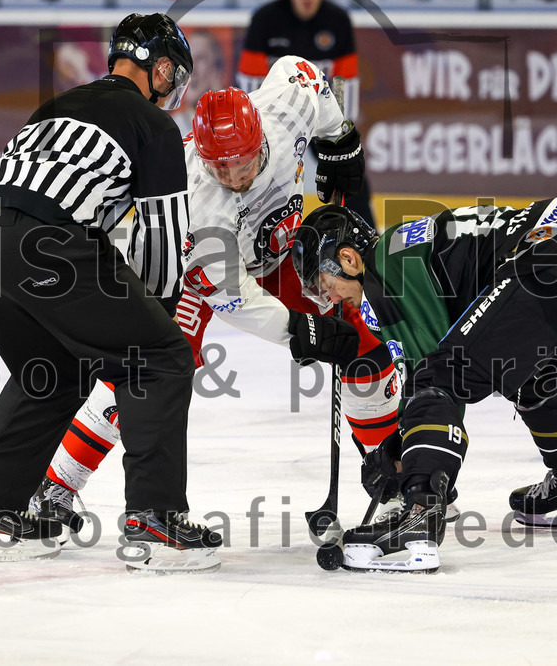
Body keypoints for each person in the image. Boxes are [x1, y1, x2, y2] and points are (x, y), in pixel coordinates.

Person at [29, 57, 401, 537]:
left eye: (241, 162)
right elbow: (239, 301)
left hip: (274, 252)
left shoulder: (286, 110)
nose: (232, 175)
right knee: (149, 374)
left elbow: (302, 72)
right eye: (218, 166)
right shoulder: (200, 202)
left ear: (259, 138)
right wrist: (305, 330)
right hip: (184, 273)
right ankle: (58, 484)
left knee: (363, 342)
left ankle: (397, 479)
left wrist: (340, 141)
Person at [0, 12, 223, 571]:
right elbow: (161, 243)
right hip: (46, 239)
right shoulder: (153, 124)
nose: (174, 91)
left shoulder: (57, 106)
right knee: (161, 357)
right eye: (175, 77)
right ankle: (155, 520)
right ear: (163, 68)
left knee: (51, 369)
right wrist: (156, 321)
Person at [291, 197, 557, 572]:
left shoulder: (388, 263)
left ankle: (419, 516)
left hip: (550, 256)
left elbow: (434, 374)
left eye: (326, 284)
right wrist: (404, 446)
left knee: (440, 377)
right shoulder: (400, 253)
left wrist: (410, 463)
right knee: (519, 371)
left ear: (349, 259)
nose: (331, 299)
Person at [237, 0, 376, 228]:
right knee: (258, 175)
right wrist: (256, 128)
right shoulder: (265, 20)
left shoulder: (337, 21)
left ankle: (365, 233)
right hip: (275, 118)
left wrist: (340, 130)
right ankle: (246, 229)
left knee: (349, 169)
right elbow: (249, 81)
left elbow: (346, 81)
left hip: (323, 113)